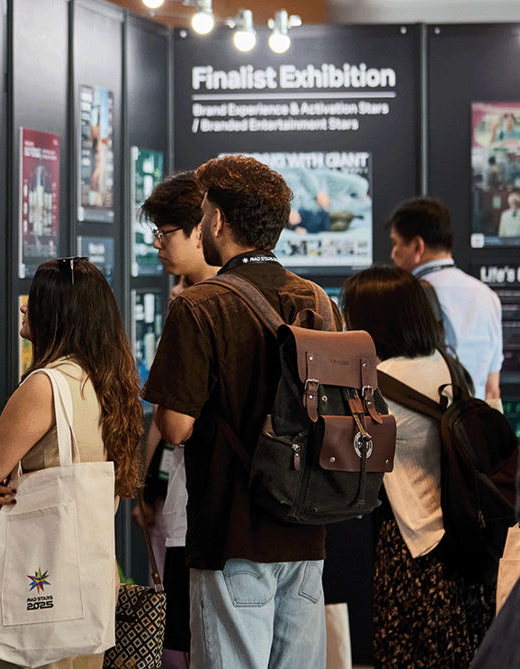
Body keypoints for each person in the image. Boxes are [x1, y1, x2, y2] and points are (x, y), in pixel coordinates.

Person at [142, 155, 338, 669]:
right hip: (306, 529)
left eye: (205, 210)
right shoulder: (319, 299)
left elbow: (175, 427)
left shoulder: (199, 305)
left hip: (231, 532)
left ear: (218, 220)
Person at [0, 257, 143, 669]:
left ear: (59, 314)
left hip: (45, 586)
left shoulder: (45, 386)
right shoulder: (107, 381)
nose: (25, 306)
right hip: (92, 583)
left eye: (36, 298)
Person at [341, 265, 493, 669]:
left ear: (373, 320)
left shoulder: (381, 382)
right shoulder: (444, 363)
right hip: (460, 537)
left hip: (414, 546)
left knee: (407, 654)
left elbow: (347, 456)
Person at [133, 171, 217, 669]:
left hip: (204, 516)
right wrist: (149, 486)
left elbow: (173, 425)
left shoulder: (198, 309)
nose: (157, 245)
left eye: (165, 233)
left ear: (201, 229)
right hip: (199, 506)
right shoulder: (205, 302)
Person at [386, 196, 504, 407]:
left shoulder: (406, 297)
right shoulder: (487, 295)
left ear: (417, 246)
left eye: (395, 243)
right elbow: (492, 389)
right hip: (471, 421)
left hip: (424, 420)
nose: (393, 254)